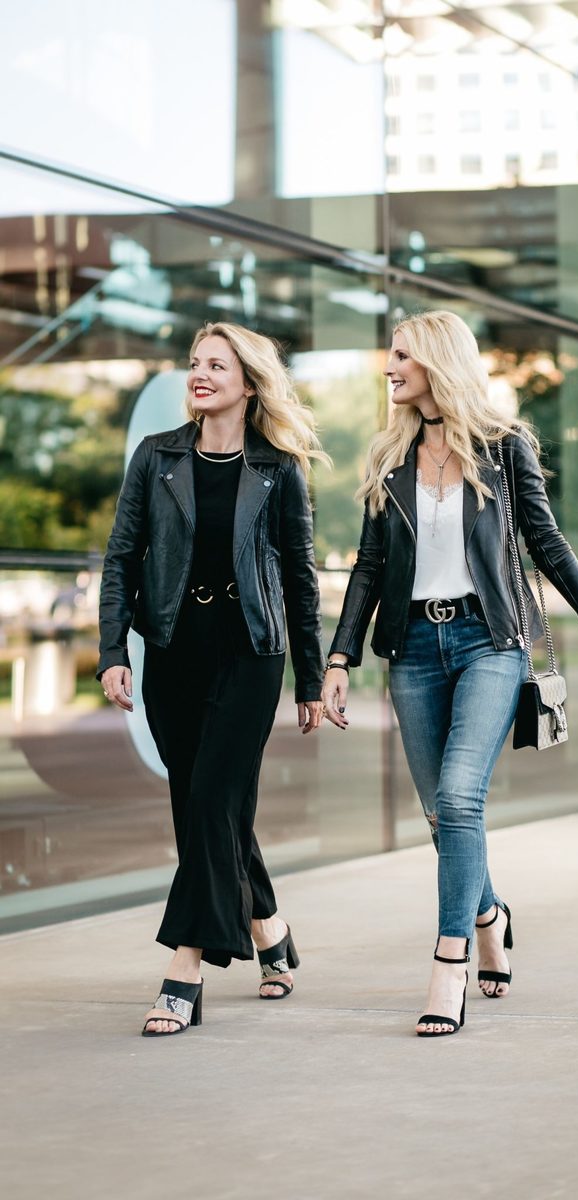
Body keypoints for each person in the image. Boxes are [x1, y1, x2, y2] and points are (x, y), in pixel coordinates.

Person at [322, 310, 578, 1039]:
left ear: (436, 360)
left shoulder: (503, 448)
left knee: (461, 796)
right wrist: (339, 658)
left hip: (489, 642)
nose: (389, 368)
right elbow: (370, 568)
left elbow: (548, 546)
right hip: (411, 650)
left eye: (401, 355)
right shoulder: (390, 457)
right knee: (443, 816)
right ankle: (492, 913)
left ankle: (449, 962)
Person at [98, 321, 327, 1037]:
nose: (200, 375)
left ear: (248, 383)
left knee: (211, 800)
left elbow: (299, 579)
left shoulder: (279, 468)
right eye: (195, 364)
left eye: (216, 366)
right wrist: (113, 650)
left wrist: (312, 680)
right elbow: (119, 559)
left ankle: (185, 968)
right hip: (173, 649)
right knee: (207, 804)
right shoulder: (155, 457)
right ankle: (268, 929)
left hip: (251, 652)